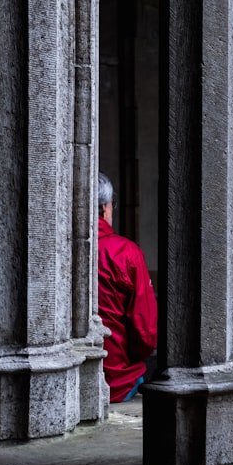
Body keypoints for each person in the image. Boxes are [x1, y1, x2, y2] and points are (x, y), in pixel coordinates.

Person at [97, 172, 158, 402]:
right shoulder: (125, 253)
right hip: (120, 379)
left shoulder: (59, 252)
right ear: (105, 208)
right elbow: (146, 334)